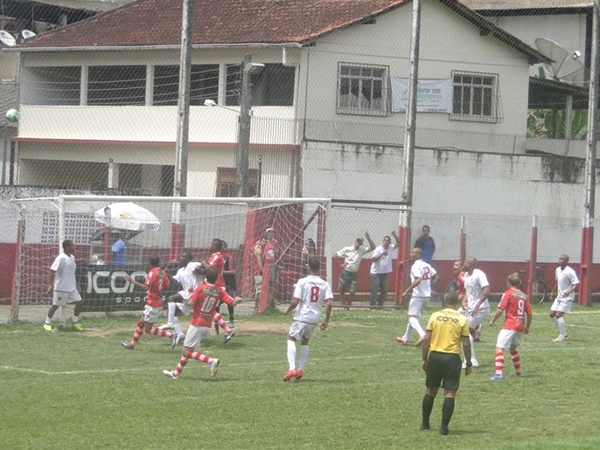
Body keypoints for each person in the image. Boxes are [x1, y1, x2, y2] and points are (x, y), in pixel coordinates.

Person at [163, 268, 242, 380]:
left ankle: (211, 361)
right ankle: (175, 374)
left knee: (186, 352)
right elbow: (232, 303)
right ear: (216, 279)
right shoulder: (220, 291)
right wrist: (238, 299)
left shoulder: (200, 288)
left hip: (197, 323)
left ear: (205, 277)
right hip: (206, 324)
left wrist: (190, 294)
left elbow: (190, 302)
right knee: (188, 351)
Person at [420, 291, 472, 436]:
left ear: (444, 301)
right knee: (449, 393)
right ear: (456, 303)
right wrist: (468, 363)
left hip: (435, 356)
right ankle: (443, 428)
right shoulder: (462, 319)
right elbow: (466, 344)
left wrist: (424, 358)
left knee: (430, 390)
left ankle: (425, 424)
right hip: (452, 358)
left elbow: (426, 339)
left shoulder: (435, 316)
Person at [282, 258, 333, 382]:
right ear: (319, 268)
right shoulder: (325, 284)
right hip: (314, 318)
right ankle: (300, 369)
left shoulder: (302, 281)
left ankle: (292, 368)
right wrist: (326, 320)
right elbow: (329, 303)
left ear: (309, 267)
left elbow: (295, 301)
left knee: (291, 339)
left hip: (301, 316)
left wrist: (287, 310)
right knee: (305, 341)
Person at [120, 256, 175, 350]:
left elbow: (146, 287)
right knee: (141, 323)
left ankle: (171, 335)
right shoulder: (162, 272)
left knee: (148, 329)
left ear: (149, 263)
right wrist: (158, 291)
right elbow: (167, 284)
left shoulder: (152, 272)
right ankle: (132, 344)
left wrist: (132, 281)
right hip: (156, 300)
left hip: (153, 303)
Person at [489, 273, 532, 380]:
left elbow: (500, 309)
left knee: (500, 347)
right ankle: (518, 372)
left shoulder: (508, 293)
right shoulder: (524, 296)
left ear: (508, 283)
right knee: (513, 348)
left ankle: (498, 374)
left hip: (510, 324)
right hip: (520, 325)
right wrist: (527, 327)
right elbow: (529, 313)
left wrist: (493, 320)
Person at [397, 247, 438, 346]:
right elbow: (437, 276)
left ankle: (422, 334)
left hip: (418, 295)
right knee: (414, 316)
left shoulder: (416, 266)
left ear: (419, 255)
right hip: (426, 296)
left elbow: (418, 279)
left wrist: (407, 290)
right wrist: (428, 286)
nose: (411, 254)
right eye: (411, 252)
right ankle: (405, 338)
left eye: (413, 253)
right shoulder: (427, 265)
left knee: (410, 316)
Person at [159, 251, 201, 347]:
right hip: (187, 293)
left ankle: (170, 324)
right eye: (181, 256)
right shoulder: (181, 270)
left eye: (183, 256)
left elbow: (204, 266)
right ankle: (180, 334)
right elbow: (174, 281)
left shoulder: (193, 264)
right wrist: (167, 274)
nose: (181, 258)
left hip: (195, 293)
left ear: (189, 259)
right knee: (175, 313)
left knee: (171, 299)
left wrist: (201, 271)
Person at [43, 239, 84, 331]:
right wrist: (50, 285)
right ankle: (47, 323)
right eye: (72, 245)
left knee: (80, 302)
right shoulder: (60, 258)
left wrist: (76, 284)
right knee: (56, 305)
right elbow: (51, 271)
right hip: (61, 287)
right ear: (67, 247)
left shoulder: (72, 257)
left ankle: (74, 322)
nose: (74, 247)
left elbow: (71, 273)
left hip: (72, 287)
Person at [200, 238, 236, 342]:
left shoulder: (217, 256)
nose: (209, 246)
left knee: (207, 309)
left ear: (215, 246)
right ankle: (226, 329)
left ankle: (226, 329)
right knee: (209, 310)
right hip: (213, 285)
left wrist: (203, 263)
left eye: (211, 244)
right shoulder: (214, 256)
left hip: (217, 286)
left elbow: (210, 269)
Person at [461, 256, 491, 367]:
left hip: (481, 308)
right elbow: (467, 292)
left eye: (465, 262)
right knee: (462, 327)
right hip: (470, 308)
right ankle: (474, 331)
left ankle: (472, 361)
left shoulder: (479, 274)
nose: (463, 264)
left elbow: (487, 291)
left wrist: (477, 305)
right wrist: (464, 301)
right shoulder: (466, 275)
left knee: (464, 331)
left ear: (470, 265)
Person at [336, 232, 376, 309]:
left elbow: (373, 247)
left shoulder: (362, 250)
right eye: (357, 241)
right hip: (345, 272)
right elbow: (336, 255)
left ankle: (348, 303)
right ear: (355, 241)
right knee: (341, 290)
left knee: (352, 291)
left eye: (360, 242)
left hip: (354, 273)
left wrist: (368, 238)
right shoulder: (347, 249)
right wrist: (340, 265)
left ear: (361, 244)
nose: (358, 243)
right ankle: (345, 305)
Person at [549, 254, 579, 342]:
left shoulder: (570, 271)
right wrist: (552, 291)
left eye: (562, 259)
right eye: (559, 259)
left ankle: (562, 335)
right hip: (559, 297)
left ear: (567, 261)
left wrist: (569, 292)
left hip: (567, 297)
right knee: (551, 314)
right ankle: (564, 333)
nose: (560, 261)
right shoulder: (557, 270)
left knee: (558, 315)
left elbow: (575, 283)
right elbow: (557, 282)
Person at [369, 231, 399, 307]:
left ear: (390, 242)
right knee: (374, 290)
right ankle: (372, 305)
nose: (386, 242)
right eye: (385, 240)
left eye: (388, 241)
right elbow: (374, 259)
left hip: (384, 273)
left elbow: (398, 243)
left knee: (385, 290)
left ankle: (380, 305)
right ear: (383, 241)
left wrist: (395, 235)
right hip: (376, 273)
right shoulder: (378, 249)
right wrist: (382, 253)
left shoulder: (391, 248)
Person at [215, 240, 237, 332]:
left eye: (223, 246)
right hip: (219, 285)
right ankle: (216, 329)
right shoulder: (215, 257)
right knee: (216, 306)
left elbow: (233, 271)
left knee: (230, 303)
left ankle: (231, 319)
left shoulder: (228, 258)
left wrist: (221, 273)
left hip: (229, 285)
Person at [252, 236, 267, 310]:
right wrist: (263, 271)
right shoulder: (258, 250)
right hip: (258, 272)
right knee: (259, 290)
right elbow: (259, 262)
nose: (265, 243)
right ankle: (256, 308)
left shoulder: (257, 247)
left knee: (259, 290)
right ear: (260, 241)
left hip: (257, 271)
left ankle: (257, 307)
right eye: (263, 241)